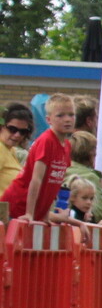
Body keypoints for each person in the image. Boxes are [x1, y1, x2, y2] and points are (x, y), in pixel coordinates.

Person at [2, 92, 76, 223]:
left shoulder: (66, 146)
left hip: (32, 210)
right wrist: (29, 213)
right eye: (60, 115)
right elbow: (36, 179)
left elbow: (52, 182)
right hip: (16, 208)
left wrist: (45, 213)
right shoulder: (46, 141)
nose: (67, 119)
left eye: (71, 115)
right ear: (48, 120)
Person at [64, 130, 102, 221]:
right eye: (94, 148)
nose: (96, 153)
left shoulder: (62, 169)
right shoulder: (90, 177)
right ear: (89, 152)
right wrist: (101, 189)